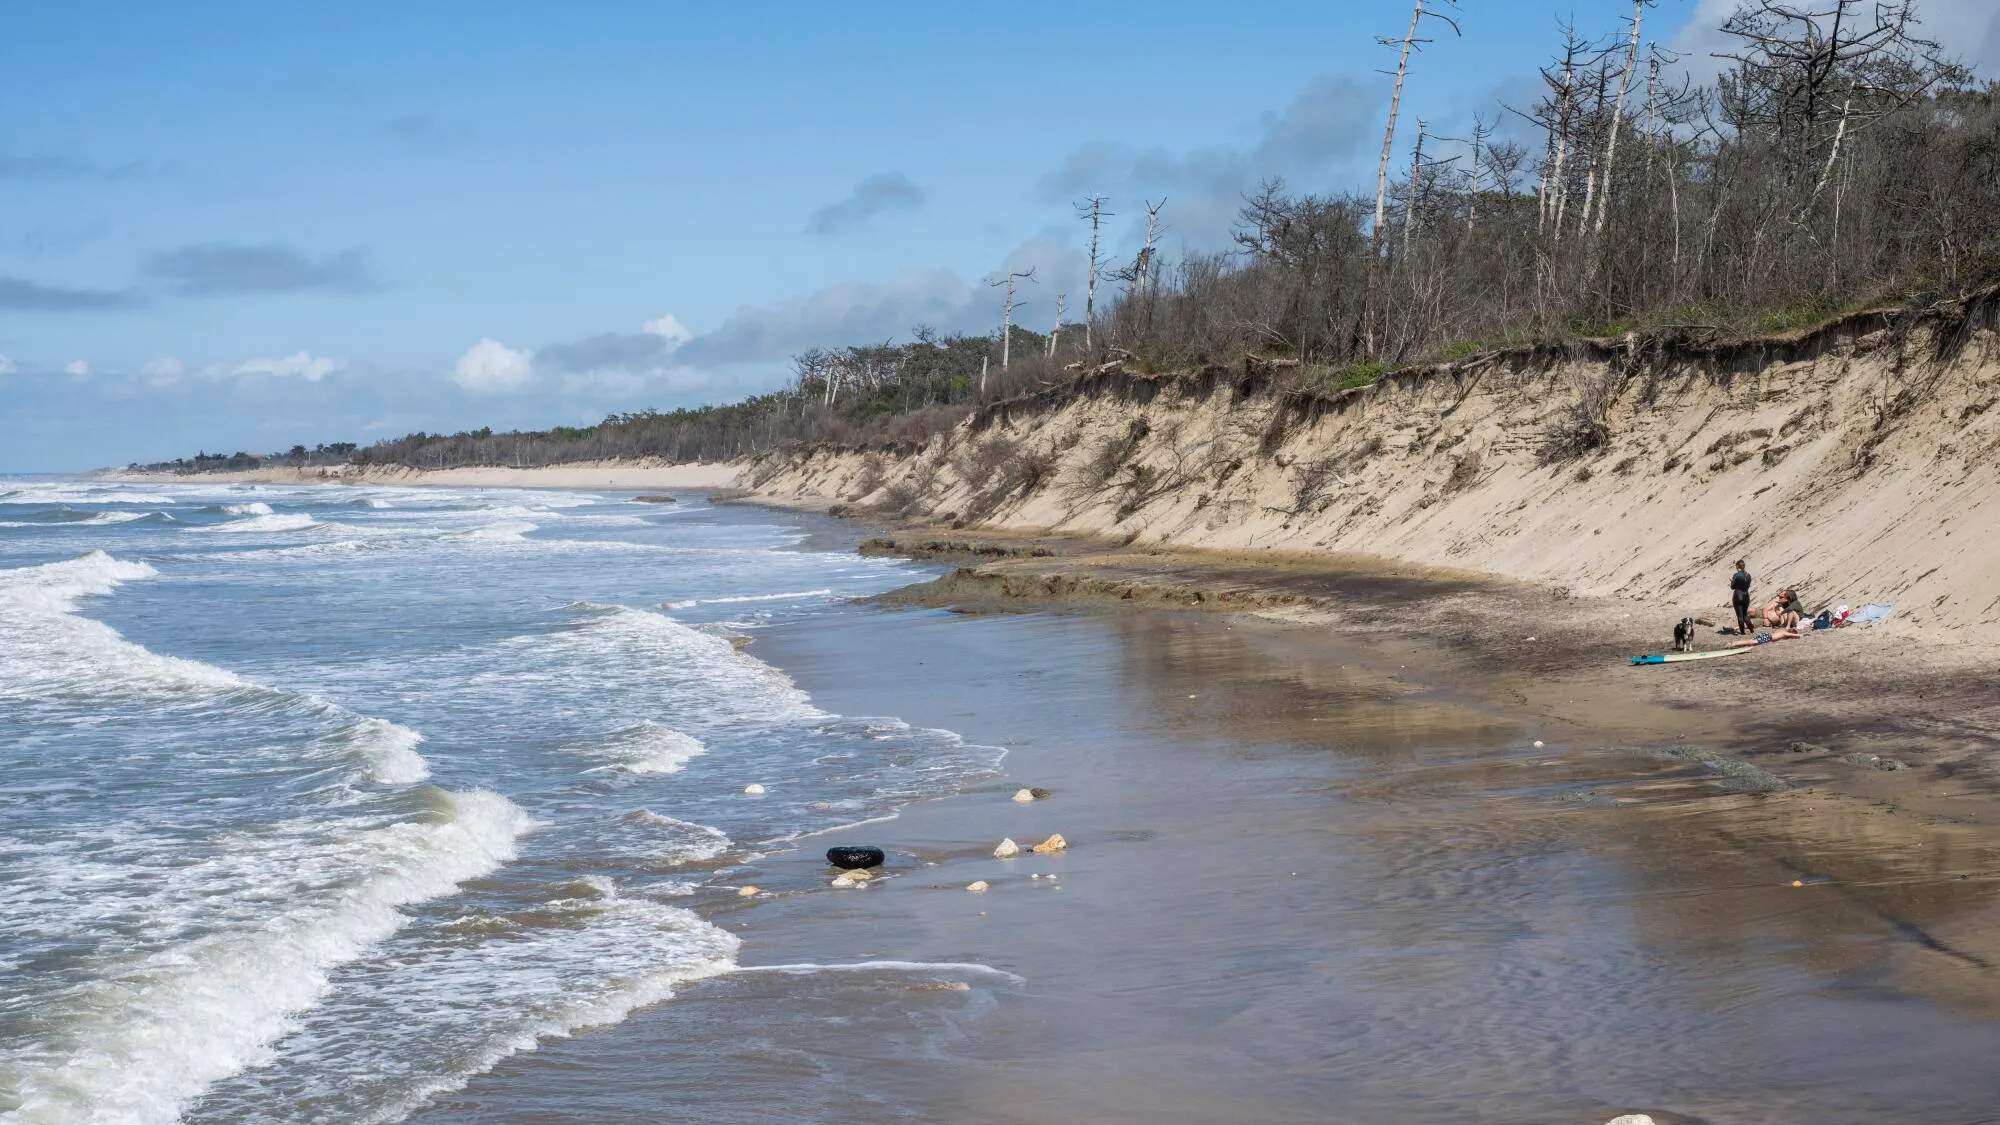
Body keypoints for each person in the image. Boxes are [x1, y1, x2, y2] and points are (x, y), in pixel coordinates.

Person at [1729, 560, 1753, 634]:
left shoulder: (1736, 575)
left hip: (1738, 596)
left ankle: (1742, 632)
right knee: (1745, 614)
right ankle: (1751, 629)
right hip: (1746, 596)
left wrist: (1731, 581)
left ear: (1737, 566)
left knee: (1740, 615)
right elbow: (1748, 586)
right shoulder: (1748, 575)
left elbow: (1732, 587)